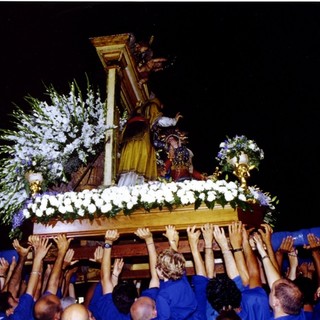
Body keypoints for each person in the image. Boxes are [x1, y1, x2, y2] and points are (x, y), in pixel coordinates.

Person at [134, 226, 198, 319]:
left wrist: (172, 240)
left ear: (160, 271)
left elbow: (164, 317)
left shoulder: (162, 296)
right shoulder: (180, 275)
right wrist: (172, 240)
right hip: (191, 311)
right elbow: (175, 260)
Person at [117, 94, 182, 187]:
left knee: (132, 170)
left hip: (129, 143)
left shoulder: (138, 111)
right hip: (141, 141)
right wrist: (173, 121)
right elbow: (158, 119)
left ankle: (124, 189)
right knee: (138, 168)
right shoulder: (152, 107)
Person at [88, 229, 138, 320]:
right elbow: (107, 285)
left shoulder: (109, 313)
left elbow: (105, 281)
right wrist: (114, 275)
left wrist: (108, 242)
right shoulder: (133, 315)